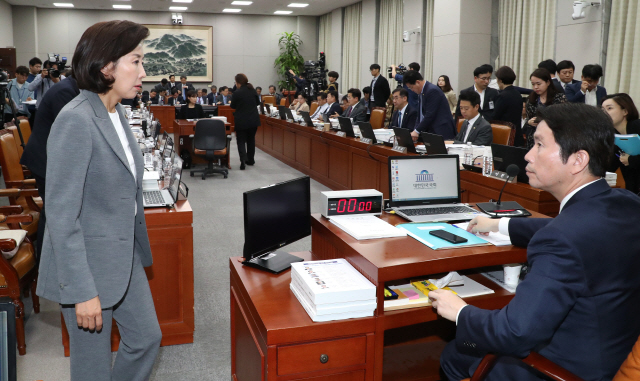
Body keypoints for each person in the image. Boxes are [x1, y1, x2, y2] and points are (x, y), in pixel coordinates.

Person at [432, 102, 640, 381]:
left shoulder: (563, 239)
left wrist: (460, 311)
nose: (528, 155)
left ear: (578, 160)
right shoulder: (627, 203)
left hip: (561, 369)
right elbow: (564, 228)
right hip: (612, 353)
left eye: (540, 145)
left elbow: (515, 334)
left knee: (456, 353)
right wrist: (499, 224)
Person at [37, 20, 161, 380]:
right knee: (91, 368)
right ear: (107, 66)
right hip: (85, 267)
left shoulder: (115, 111)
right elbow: (62, 215)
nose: (142, 71)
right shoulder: (76, 120)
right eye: (135, 61)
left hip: (123, 254)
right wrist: (81, 291)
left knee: (146, 338)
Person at [21, 74, 80, 264]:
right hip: (46, 160)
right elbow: (73, 133)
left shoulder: (69, 87)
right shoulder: (65, 92)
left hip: (50, 157)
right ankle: (46, 264)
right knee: (55, 210)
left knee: (55, 209)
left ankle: (49, 263)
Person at [603, 93, 640, 194]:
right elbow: (610, 165)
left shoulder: (637, 126)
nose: (604, 113)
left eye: (609, 108)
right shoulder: (613, 135)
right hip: (634, 191)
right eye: (602, 110)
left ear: (625, 111)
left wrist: (630, 160)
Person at [403, 70, 456, 140]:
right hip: (429, 131)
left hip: (441, 131)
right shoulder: (421, 92)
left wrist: (417, 131)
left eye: (411, 87)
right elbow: (419, 116)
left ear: (418, 82)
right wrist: (415, 130)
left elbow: (429, 115)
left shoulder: (432, 91)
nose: (411, 90)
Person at [525, 68, 567, 149]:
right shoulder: (531, 99)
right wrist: (529, 122)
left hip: (554, 138)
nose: (536, 87)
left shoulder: (559, 98)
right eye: (533, 84)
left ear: (548, 82)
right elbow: (528, 119)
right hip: (534, 139)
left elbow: (564, 120)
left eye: (538, 84)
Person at [231, 73, 261, 170]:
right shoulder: (252, 91)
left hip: (241, 120)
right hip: (253, 120)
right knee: (251, 140)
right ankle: (251, 160)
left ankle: (243, 161)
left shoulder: (237, 93)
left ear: (238, 82)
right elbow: (257, 103)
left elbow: (232, 106)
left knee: (241, 141)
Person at [492, 65, 526, 147]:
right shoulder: (517, 94)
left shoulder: (502, 96)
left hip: (505, 134)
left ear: (500, 80)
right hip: (517, 134)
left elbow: (495, 116)